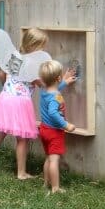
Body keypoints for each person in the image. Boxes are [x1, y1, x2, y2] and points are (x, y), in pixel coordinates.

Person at [0, 27, 49, 178]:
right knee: (22, 139)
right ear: (35, 46)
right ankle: (21, 172)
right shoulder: (33, 63)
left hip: (5, 98)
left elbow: (2, 74)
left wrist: (8, 86)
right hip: (21, 102)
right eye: (42, 46)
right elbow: (40, 82)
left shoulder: (15, 56)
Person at [38, 60, 76, 194]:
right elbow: (53, 113)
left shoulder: (44, 91)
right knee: (54, 160)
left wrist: (64, 82)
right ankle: (55, 187)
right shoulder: (56, 97)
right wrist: (66, 125)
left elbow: (53, 88)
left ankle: (46, 183)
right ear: (58, 78)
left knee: (48, 158)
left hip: (44, 130)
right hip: (54, 132)